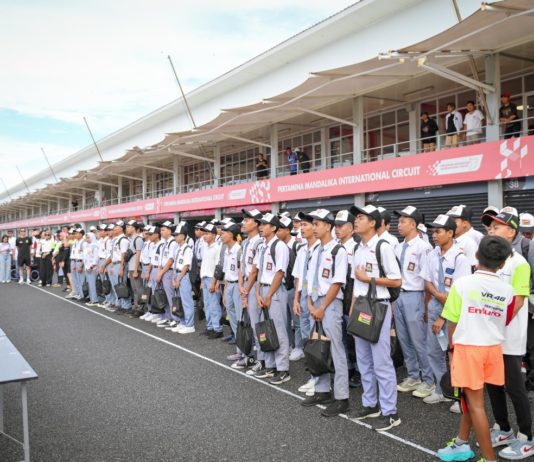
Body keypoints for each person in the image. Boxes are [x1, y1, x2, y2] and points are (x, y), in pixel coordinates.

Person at [437, 236, 518, 462]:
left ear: (477, 256)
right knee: (472, 399)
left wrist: (451, 349)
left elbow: (452, 321)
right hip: (493, 349)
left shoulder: (462, 284)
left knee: (476, 405)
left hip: (468, 348)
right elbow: (505, 319)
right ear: (502, 264)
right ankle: (461, 443)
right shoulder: (508, 290)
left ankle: (489, 459)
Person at [481, 207, 534, 460]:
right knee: (493, 384)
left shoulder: (519, 263)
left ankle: (527, 437)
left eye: (496, 227)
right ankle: (503, 429)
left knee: (514, 387)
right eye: (489, 228)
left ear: (511, 232)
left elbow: (519, 301)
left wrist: (496, 325)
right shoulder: (490, 261)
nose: (490, 231)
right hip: (490, 334)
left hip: (509, 336)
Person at [350, 204, 402, 432]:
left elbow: (397, 281)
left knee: (382, 362)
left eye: (361, 217)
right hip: (361, 306)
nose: (356, 220)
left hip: (378, 307)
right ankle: (370, 404)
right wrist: (352, 310)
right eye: (356, 217)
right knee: (364, 360)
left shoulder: (383, 247)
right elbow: (356, 283)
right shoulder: (357, 248)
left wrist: (369, 279)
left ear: (373, 223)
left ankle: (390, 412)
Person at [301, 208, 349, 417]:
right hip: (315, 303)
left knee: (335, 349)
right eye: (312, 223)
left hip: (330, 303)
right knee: (317, 347)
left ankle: (341, 398)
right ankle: (322, 390)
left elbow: (337, 282)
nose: (313, 227)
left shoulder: (338, 251)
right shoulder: (315, 251)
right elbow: (308, 279)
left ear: (328, 226)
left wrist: (321, 308)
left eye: (317, 224)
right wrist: (310, 303)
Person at [422, 214, 471, 409]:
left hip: (454, 311)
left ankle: (460, 396)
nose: (434, 235)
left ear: (450, 233)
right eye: (433, 231)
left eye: (438, 231)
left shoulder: (460, 258)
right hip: (436, 304)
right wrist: (436, 295)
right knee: (433, 351)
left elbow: (460, 293)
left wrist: (443, 316)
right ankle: (442, 390)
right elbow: (427, 280)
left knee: (455, 354)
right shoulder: (432, 254)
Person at [393, 206, 434, 399]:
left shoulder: (423, 248)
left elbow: (427, 279)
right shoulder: (398, 247)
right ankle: (413, 376)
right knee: (404, 339)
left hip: (415, 295)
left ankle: (429, 380)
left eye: (403, 221)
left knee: (419, 341)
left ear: (413, 224)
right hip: (399, 296)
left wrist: (425, 305)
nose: (399, 225)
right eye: (399, 221)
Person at [255, 212, 291, 384]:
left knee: (278, 329)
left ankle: (283, 369)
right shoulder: (263, 245)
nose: (261, 227)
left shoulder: (280, 246)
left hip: (275, 291)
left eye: (264, 224)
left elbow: (279, 272)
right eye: (260, 224)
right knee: (265, 329)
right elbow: (259, 271)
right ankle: (270, 365)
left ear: (274, 227)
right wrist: (257, 292)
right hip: (263, 289)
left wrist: (268, 295)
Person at [292, 211, 320, 396]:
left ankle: (320, 379)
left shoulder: (321, 249)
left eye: (305, 225)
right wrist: (296, 299)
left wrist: (311, 301)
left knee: (316, 339)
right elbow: (298, 277)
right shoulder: (302, 249)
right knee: (306, 337)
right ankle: (314, 375)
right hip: (303, 297)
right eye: (300, 225)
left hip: (315, 298)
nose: (301, 228)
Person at [334, 209, 361, 388]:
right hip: (338, 297)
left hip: (351, 298)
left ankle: (359, 370)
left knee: (354, 337)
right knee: (341, 337)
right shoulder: (335, 247)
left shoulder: (356, 247)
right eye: (336, 226)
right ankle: (348, 367)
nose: (337, 229)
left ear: (351, 228)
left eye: (341, 226)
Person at [237, 209, 264, 373]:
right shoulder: (246, 242)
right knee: (246, 323)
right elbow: (242, 267)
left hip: (254, 286)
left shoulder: (259, 243)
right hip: (245, 285)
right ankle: (249, 355)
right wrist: (241, 285)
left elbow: (255, 270)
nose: (244, 223)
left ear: (256, 223)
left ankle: (261, 359)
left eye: (247, 220)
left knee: (256, 325)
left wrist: (246, 290)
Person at [199, 223, 223, 338]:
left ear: (214, 235)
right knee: (207, 305)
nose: (205, 236)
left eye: (207, 233)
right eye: (204, 233)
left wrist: (215, 282)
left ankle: (218, 329)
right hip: (205, 278)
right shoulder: (206, 247)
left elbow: (218, 267)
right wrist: (202, 280)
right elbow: (204, 265)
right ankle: (210, 327)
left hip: (212, 279)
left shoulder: (217, 248)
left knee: (214, 305)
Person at [172, 223, 196, 334]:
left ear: (183, 236)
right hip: (177, 275)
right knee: (179, 301)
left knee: (187, 301)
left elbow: (186, 266)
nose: (175, 237)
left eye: (177, 235)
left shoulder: (187, 249)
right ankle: (182, 322)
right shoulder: (178, 249)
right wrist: (173, 278)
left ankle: (190, 325)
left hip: (183, 276)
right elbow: (175, 264)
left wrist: (178, 280)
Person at [155, 221, 179, 328]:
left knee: (170, 296)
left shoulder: (173, 243)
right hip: (163, 271)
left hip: (168, 272)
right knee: (164, 296)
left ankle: (176, 319)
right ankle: (168, 317)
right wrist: (159, 271)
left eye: (163, 230)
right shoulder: (165, 242)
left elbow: (170, 261)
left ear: (170, 231)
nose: (161, 232)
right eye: (161, 230)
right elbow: (161, 259)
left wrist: (160, 273)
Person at [447, 205, 480, 270]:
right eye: (449, 221)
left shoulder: (469, 243)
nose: (451, 224)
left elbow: (472, 268)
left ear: (464, 223)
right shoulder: (446, 241)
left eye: (454, 221)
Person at [126, 220, 144, 317]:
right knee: (135, 289)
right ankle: (136, 307)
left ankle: (141, 308)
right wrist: (130, 270)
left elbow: (138, 255)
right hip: (131, 268)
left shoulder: (138, 239)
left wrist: (136, 270)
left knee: (139, 289)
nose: (127, 229)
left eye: (128, 227)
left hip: (137, 268)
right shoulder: (131, 239)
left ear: (133, 228)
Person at [83, 232, 100, 306]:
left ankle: (95, 300)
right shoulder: (87, 246)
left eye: (88, 238)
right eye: (86, 238)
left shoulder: (95, 246)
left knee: (92, 284)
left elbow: (95, 258)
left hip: (92, 268)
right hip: (87, 267)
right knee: (89, 284)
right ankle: (91, 298)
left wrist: (92, 266)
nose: (87, 239)